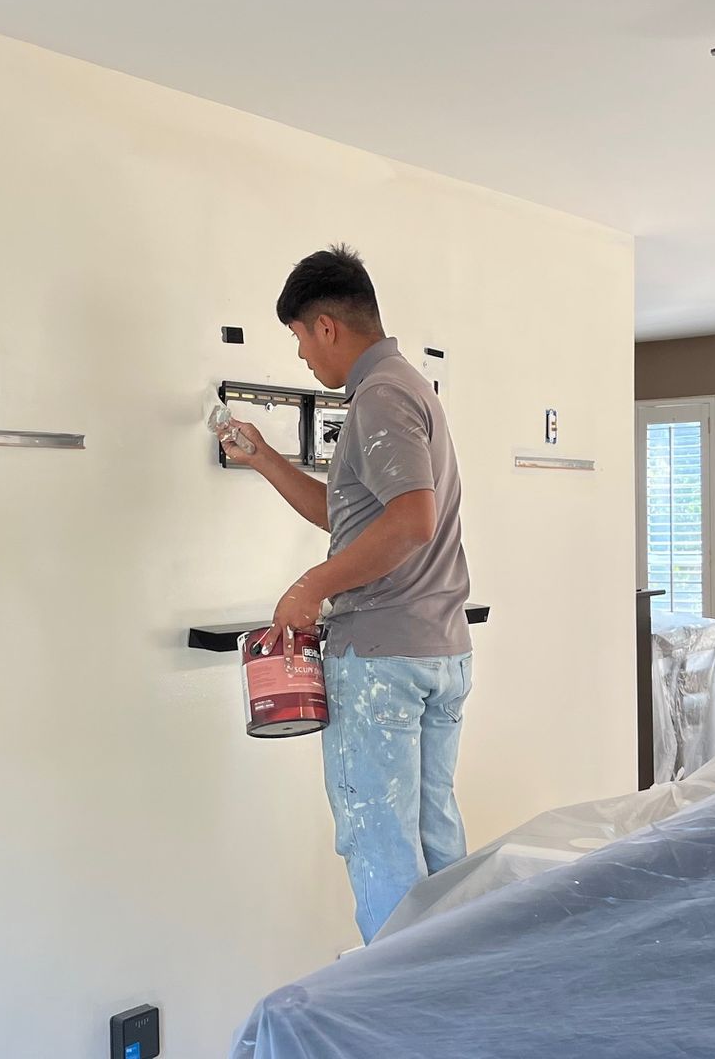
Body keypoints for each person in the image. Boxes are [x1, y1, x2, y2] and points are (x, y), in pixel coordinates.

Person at [216, 245, 473, 943]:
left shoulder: (381, 396)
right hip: (436, 650)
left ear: (326, 325)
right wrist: (265, 458)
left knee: (380, 841)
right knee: (433, 835)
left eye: (298, 336)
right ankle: (456, 992)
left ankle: (399, 1016)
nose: (300, 356)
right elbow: (356, 517)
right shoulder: (405, 387)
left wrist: (311, 586)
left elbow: (411, 523)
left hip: (384, 663)